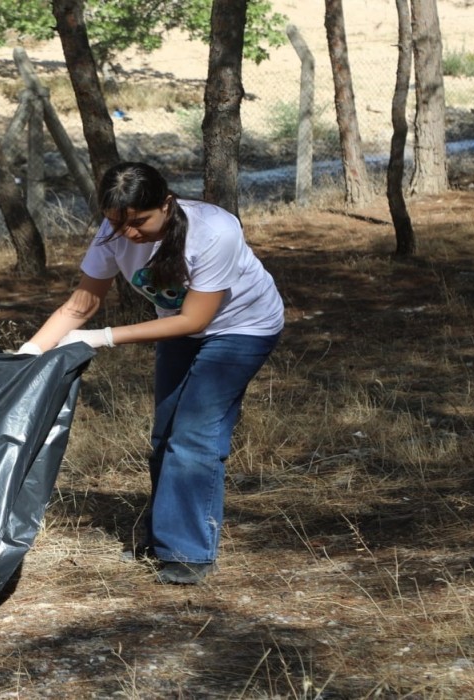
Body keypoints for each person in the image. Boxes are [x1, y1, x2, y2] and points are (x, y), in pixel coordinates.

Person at [18, 162, 284, 585]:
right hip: (177, 325)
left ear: (166, 202)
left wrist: (100, 338)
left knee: (194, 434)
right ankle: (166, 537)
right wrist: (29, 352)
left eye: (139, 222)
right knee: (165, 435)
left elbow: (195, 320)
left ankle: (189, 553)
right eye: (116, 224)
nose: (129, 234)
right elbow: (80, 305)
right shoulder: (113, 233)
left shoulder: (214, 231)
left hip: (241, 328)